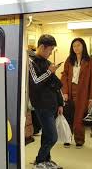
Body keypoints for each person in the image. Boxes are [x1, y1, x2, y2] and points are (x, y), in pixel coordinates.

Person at [29, 34, 64, 169]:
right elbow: (36, 82)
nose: (50, 53)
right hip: (41, 105)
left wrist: (60, 103)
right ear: (42, 47)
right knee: (52, 137)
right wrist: (49, 73)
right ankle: (39, 161)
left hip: (52, 104)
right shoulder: (31, 62)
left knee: (46, 135)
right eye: (50, 49)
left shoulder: (48, 63)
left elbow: (56, 85)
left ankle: (46, 160)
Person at [61, 38, 92, 148]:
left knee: (79, 118)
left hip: (83, 92)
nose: (76, 48)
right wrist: (65, 92)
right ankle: (67, 138)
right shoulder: (69, 60)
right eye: (74, 46)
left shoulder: (89, 60)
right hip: (70, 91)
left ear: (83, 47)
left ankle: (79, 140)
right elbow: (64, 76)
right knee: (68, 117)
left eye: (78, 45)